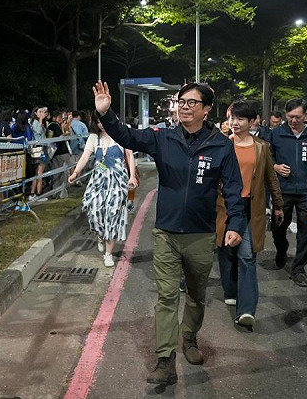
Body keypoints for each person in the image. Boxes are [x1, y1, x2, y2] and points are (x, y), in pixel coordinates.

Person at [92, 81, 247, 386]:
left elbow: (232, 189)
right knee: (166, 296)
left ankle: (189, 338)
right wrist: (106, 113)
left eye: (192, 103)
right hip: (165, 232)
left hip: (201, 234)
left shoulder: (221, 146)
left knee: (196, 294)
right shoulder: (163, 137)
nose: (184, 107)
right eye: (181, 102)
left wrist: (235, 225)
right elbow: (127, 136)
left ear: (206, 109)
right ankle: (165, 359)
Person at [215, 101, 284, 329]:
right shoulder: (222, 144)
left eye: (240, 119)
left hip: (250, 207)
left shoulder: (261, 147)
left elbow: (270, 177)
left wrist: (278, 205)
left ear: (252, 121)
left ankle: (246, 310)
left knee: (247, 255)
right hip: (224, 207)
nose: (235, 123)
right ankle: (231, 289)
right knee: (225, 252)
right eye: (232, 118)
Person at [268, 98, 307, 287]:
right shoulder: (276, 134)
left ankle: (299, 268)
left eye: (298, 117)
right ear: (286, 115)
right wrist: (275, 166)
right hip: (282, 190)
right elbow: (267, 158)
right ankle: (282, 248)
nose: (294, 121)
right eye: (291, 117)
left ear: (305, 116)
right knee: (278, 226)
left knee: (305, 231)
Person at [68, 113, 137, 267]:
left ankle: (108, 254)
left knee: (113, 213)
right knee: (92, 209)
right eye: (98, 122)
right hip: (98, 180)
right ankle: (100, 234)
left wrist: (132, 176)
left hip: (118, 181)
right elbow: (85, 156)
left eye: (104, 121)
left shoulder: (121, 135)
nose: (101, 124)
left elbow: (130, 156)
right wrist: (75, 173)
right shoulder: (94, 138)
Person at [47, 109, 73, 198]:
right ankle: (59, 193)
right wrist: (64, 135)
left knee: (58, 173)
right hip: (60, 152)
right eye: (59, 117)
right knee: (62, 173)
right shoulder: (53, 126)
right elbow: (55, 138)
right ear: (54, 117)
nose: (60, 119)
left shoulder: (52, 126)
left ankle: (57, 192)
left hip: (57, 153)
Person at [29, 106, 50, 200]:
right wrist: (41, 119)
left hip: (41, 148)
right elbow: (38, 131)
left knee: (37, 173)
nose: (42, 113)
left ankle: (33, 194)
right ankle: (37, 194)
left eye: (43, 111)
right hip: (39, 149)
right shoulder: (34, 123)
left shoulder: (41, 122)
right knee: (39, 173)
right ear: (35, 113)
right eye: (40, 111)